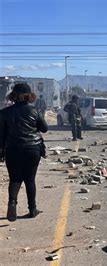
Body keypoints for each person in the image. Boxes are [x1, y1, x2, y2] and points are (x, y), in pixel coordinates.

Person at [0, 83, 48, 222]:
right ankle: (32, 209)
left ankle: (12, 204)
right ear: (29, 95)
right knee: (30, 179)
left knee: (15, 179)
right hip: (32, 149)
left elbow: (1, 135)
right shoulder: (34, 111)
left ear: (13, 96)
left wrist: (1, 150)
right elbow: (44, 128)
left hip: (12, 150)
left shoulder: (4, 113)